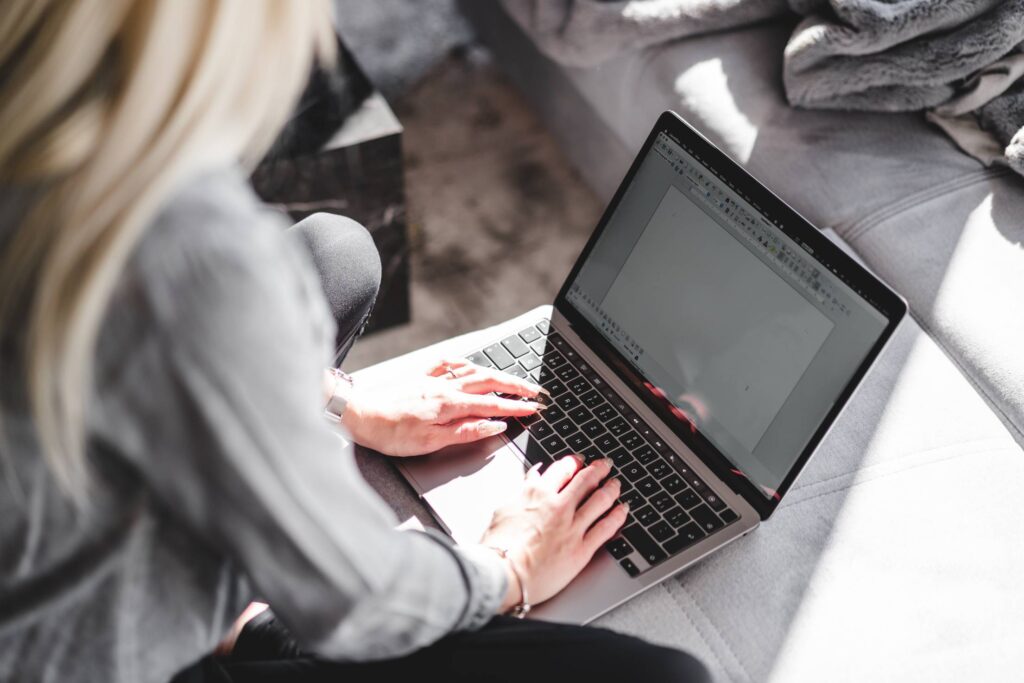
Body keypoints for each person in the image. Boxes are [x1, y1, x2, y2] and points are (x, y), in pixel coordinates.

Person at [0, 2, 709, 682]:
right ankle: (230, 631)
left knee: (335, 256)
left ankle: (228, 618)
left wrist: (344, 402)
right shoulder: (183, 245)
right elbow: (356, 597)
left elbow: (137, 347)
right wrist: (511, 566)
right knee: (670, 675)